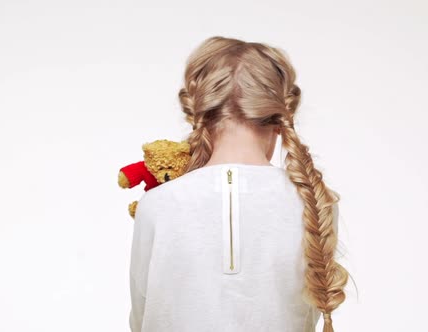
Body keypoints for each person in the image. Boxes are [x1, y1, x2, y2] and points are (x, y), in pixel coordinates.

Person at [129, 36, 349, 332]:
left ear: (200, 113)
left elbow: (141, 320)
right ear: (278, 116)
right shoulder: (316, 202)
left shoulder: (158, 203)